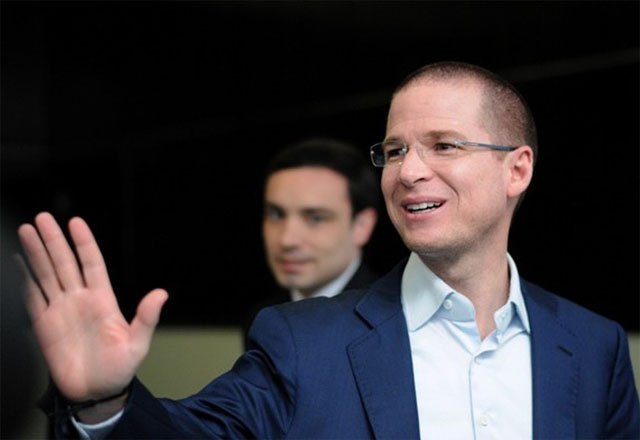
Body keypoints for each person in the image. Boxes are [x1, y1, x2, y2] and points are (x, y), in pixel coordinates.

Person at [18, 61, 639, 439]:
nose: (408, 171)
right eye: (394, 150)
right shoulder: (301, 340)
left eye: (444, 145)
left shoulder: (594, 347)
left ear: (517, 170)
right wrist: (105, 402)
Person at [242, 138, 379, 344]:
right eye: (276, 214)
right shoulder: (261, 319)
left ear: (362, 225)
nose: (287, 240)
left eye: (315, 218)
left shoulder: (392, 318)